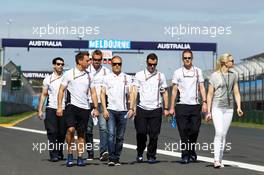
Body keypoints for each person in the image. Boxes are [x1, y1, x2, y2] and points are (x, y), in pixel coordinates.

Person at [56, 51, 99, 167]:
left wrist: (95, 108)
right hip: (71, 106)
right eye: (87, 60)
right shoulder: (69, 74)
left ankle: (80, 156)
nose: (89, 62)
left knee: (81, 134)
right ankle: (70, 154)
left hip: (84, 108)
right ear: (80, 61)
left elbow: (93, 92)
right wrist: (59, 106)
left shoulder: (89, 75)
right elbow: (61, 90)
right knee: (70, 130)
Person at [206, 53, 243, 168]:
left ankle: (220, 159)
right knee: (219, 132)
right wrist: (208, 111)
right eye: (231, 60)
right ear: (224, 62)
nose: (233, 62)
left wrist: (239, 107)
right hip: (217, 107)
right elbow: (210, 94)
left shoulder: (234, 75)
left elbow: (236, 92)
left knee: (224, 134)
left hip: (229, 108)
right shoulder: (214, 76)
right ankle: (216, 160)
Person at [169, 50, 207, 164]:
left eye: (189, 58)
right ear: (182, 59)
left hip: (195, 105)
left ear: (192, 58)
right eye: (185, 58)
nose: (187, 60)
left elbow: (201, 87)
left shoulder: (198, 71)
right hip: (181, 106)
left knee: (194, 130)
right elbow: (174, 90)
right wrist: (171, 106)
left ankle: (192, 150)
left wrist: (204, 102)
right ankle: (185, 154)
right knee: (183, 131)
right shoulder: (177, 72)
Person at [132, 53, 169, 164]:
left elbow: (165, 92)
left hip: (156, 109)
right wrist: (132, 108)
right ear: (146, 63)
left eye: (154, 64)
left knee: (154, 135)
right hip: (142, 108)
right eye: (150, 64)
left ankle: (151, 155)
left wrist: (166, 108)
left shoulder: (160, 76)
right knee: (141, 133)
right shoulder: (139, 75)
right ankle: (140, 152)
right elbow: (134, 92)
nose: (152, 66)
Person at [100, 56, 134, 166]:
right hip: (111, 110)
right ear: (111, 65)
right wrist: (104, 109)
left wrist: (132, 108)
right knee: (111, 134)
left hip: (123, 111)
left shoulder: (127, 77)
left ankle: (117, 158)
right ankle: (111, 158)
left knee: (120, 136)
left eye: (119, 64)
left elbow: (132, 93)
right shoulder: (106, 78)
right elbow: (102, 93)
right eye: (114, 64)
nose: (117, 66)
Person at [37, 57, 66, 162]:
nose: (60, 66)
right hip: (51, 108)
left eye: (62, 64)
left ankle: (59, 151)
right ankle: (53, 154)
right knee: (52, 132)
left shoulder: (66, 78)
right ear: (54, 65)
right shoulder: (48, 79)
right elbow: (44, 95)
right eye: (58, 64)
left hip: (64, 108)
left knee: (62, 133)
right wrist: (40, 110)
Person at [85, 50, 110, 161]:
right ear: (91, 59)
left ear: (102, 60)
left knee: (103, 128)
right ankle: (90, 153)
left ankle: (103, 152)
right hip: (87, 103)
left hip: (101, 103)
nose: (96, 62)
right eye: (95, 59)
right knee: (88, 129)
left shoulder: (106, 71)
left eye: (99, 60)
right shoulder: (86, 71)